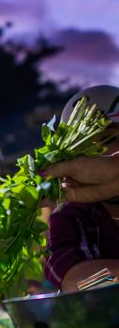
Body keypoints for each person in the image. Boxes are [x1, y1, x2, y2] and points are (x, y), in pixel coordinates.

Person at [45, 85, 119, 292]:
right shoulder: (72, 217)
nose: (99, 156)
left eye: (109, 139)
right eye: (85, 148)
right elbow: (78, 282)